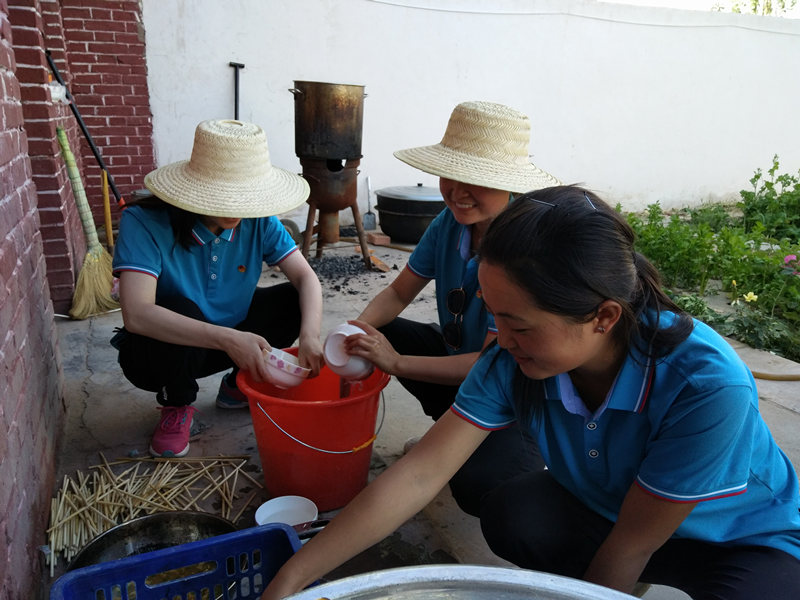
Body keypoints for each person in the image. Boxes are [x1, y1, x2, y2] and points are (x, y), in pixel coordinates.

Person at [262, 185, 800, 600]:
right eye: (494, 316)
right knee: (515, 514)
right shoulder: (516, 357)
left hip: (737, 541)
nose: (501, 339)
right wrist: (293, 576)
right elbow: (420, 474)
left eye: (518, 325)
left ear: (603, 317)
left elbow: (633, 542)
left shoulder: (705, 386)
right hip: (612, 512)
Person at [346, 100, 559, 515]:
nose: (458, 193)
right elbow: (397, 295)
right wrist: (352, 331)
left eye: (476, 181)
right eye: (451, 176)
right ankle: (448, 433)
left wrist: (397, 363)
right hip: (463, 360)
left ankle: (527, 452)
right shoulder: (448, 223)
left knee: (483, 488)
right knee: (376, 333)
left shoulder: (526, 248)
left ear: (509, 184)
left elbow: (490, 362)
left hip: (514, 390)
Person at [112, 119, 324, 458]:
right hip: (164, 351)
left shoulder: (258, 220)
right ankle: (177, 402)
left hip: (230, 336)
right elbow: (137, 314)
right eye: (224, 196)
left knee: (292, 300)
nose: (235, 208)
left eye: (244, 197)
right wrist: (229, 339)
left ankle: (237, 385)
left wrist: (310, 336)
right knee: (179, 306)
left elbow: (306, 278)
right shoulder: (144, 222)